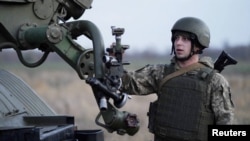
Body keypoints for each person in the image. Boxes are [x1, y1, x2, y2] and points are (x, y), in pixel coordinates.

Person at [120, 17, 235, 141]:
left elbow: (225, 126)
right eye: (176, 38)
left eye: (185, 39)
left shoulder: (215, 81)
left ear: (198, 44)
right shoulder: (160, 73)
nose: (178, 43)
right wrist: (115, 63)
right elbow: (125, 84)